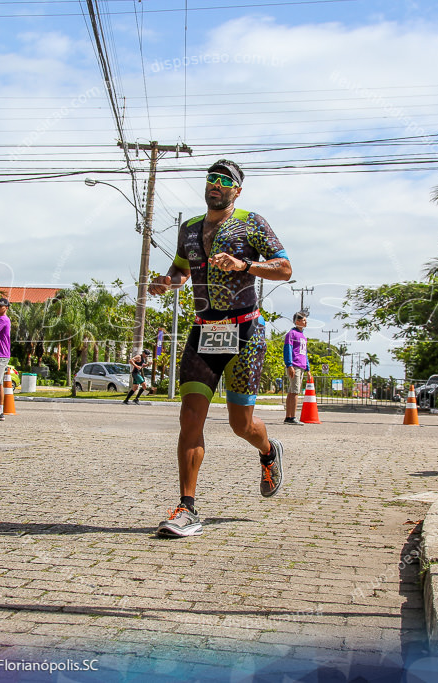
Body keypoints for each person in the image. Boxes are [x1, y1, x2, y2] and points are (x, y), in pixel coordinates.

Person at [147, 159, 293, 537]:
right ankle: (187, 507)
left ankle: (268, 451)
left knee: (240, 425)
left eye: (224, 181)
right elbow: (181, 268)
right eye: (211, 178)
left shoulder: (252, 222)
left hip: (245, 332)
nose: (215, 184)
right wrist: (168, 282)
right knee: (190, 418)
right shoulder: (190, 229)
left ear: (236, 190)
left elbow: (284, 269)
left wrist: (244, 265)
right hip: (203, 332)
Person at [283, 312, 313, 425]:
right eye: (303, 320)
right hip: (294, 365)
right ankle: (292, 417)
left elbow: (304, 353)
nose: (306, 322)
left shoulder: (303, 336)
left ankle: (289, 417)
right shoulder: (291, 334)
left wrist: (308, 369)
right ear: (297, 322)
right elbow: (288, 349)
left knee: (292, 391)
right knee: (295, 392)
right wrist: (289, 365)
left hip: (301, 365)